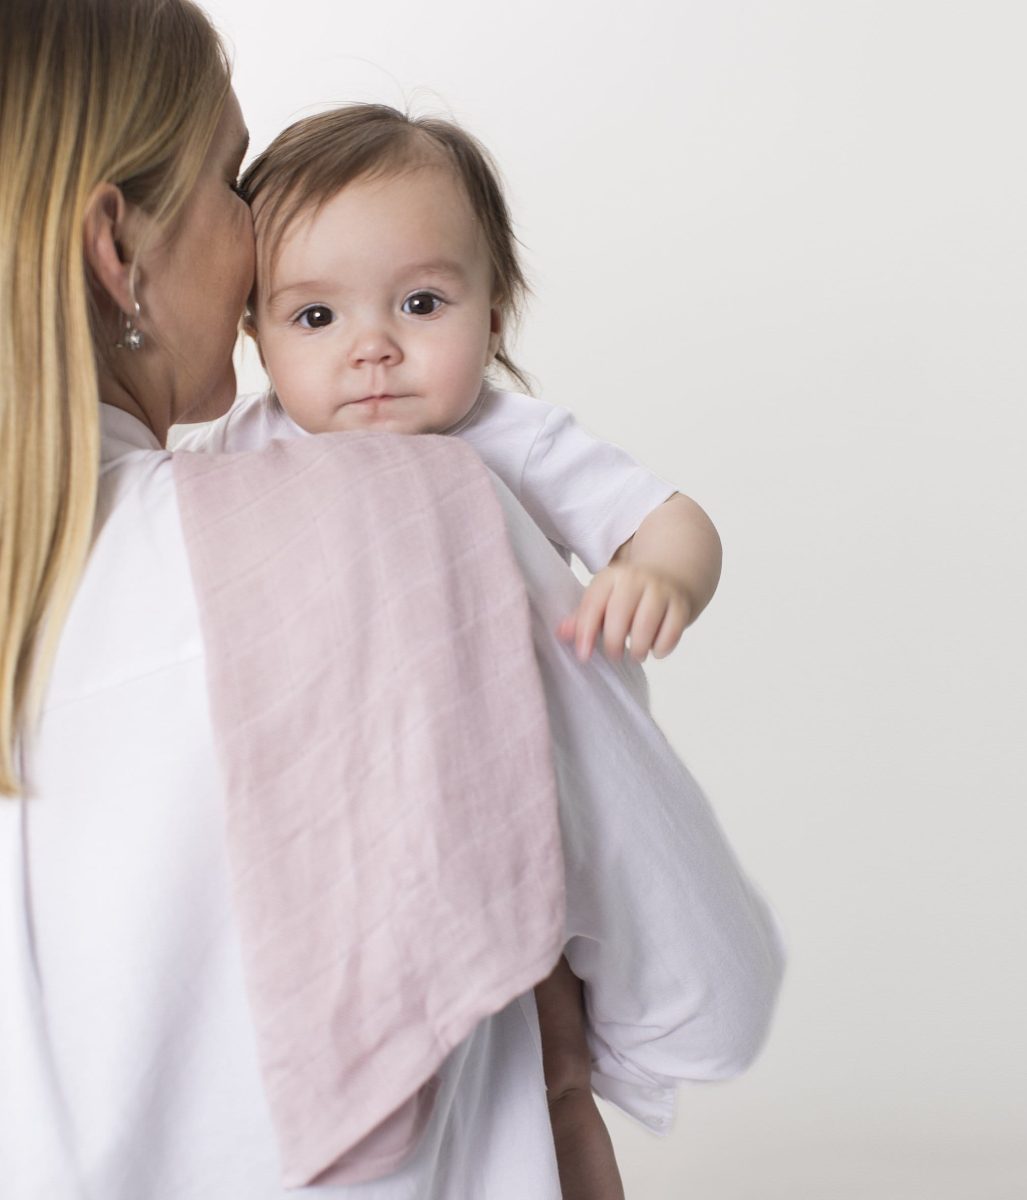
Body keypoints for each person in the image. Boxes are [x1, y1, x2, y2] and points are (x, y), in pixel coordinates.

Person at [0, 3, 785, 1199]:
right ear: (118, 250)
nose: (260, 231)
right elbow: (705, 993)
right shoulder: (410, 511)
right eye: (231, 178)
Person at [174, 103, 723, 667]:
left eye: (421, 303)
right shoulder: (237, 445)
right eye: (316, 316)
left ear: (490, 323)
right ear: (259, 340)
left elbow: (666, 519)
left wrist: (659, 576)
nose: (373, 348)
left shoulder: (516, 442)